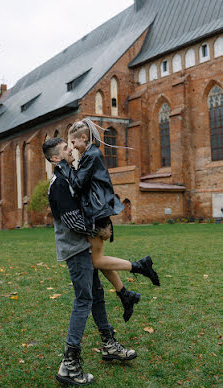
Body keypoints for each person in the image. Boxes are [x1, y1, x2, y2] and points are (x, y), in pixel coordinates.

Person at [42, 137, 138, 386]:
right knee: (84, 300)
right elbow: (73, 222)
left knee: (96, 296)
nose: (71, 148)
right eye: (66, 148)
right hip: (75, 250)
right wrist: (98, 230)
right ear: (55, 158)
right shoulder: (59, 184)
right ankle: (69, 365)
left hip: (84, 247)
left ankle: (109, 345)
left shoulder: (69, 176)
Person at [59, 119, 160, 322]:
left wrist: (66, 165)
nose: (72, 147)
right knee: (99, 260)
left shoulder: (91, 155)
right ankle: (125, 294)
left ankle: (140, 266)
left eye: (74, 142)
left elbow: (78, 184)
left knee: (96, 260)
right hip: (97, 214)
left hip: (97, 216)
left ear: (83, 138)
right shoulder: (90, 154)